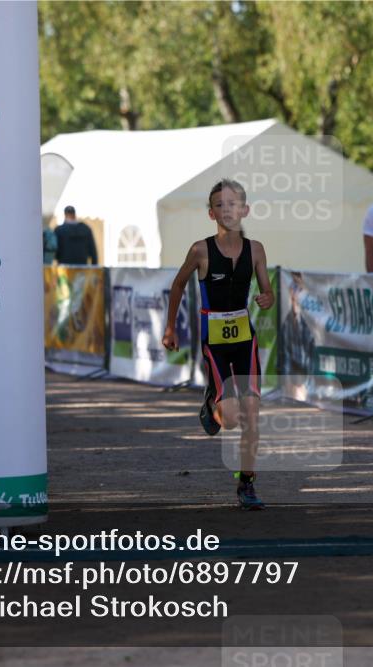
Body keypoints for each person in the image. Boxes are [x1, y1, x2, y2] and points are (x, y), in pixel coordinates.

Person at [161, 179, 274, 510]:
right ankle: (213, 401)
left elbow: (267, 291)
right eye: (220, 205)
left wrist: (267, 298)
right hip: (215, 341)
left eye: (233, 203)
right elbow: (178, 285)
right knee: (233, 419)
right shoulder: (200, 250)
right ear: (211, 213)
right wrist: (170, 327)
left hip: (245, 339)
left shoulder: (256, 250)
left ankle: (247, 484)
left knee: (252, 413)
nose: (227, 210)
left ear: (245, 210)